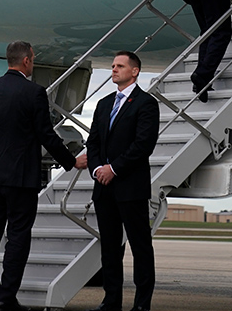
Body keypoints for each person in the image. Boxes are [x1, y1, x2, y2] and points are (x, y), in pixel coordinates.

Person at [0, 41, 87, 311]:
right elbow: (47, 135)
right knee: (18, 238)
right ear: (26, 62)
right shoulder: (34, 92)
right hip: (20, 178)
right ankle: (5, 298)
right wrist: (71, 161)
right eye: (32, 58)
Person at [85, 51, 159, 311]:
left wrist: (113, 169)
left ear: (135, 71)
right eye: (113, 66)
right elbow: (92, 142)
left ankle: (141, 304)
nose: (114, 70)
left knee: (140, 247)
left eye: (119, 66)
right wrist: (97, 170)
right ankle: (111, 301)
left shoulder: (146, 103)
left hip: (130, 187)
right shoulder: (104, 103)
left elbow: (143, 145)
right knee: (109, 249)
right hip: (104, 188)